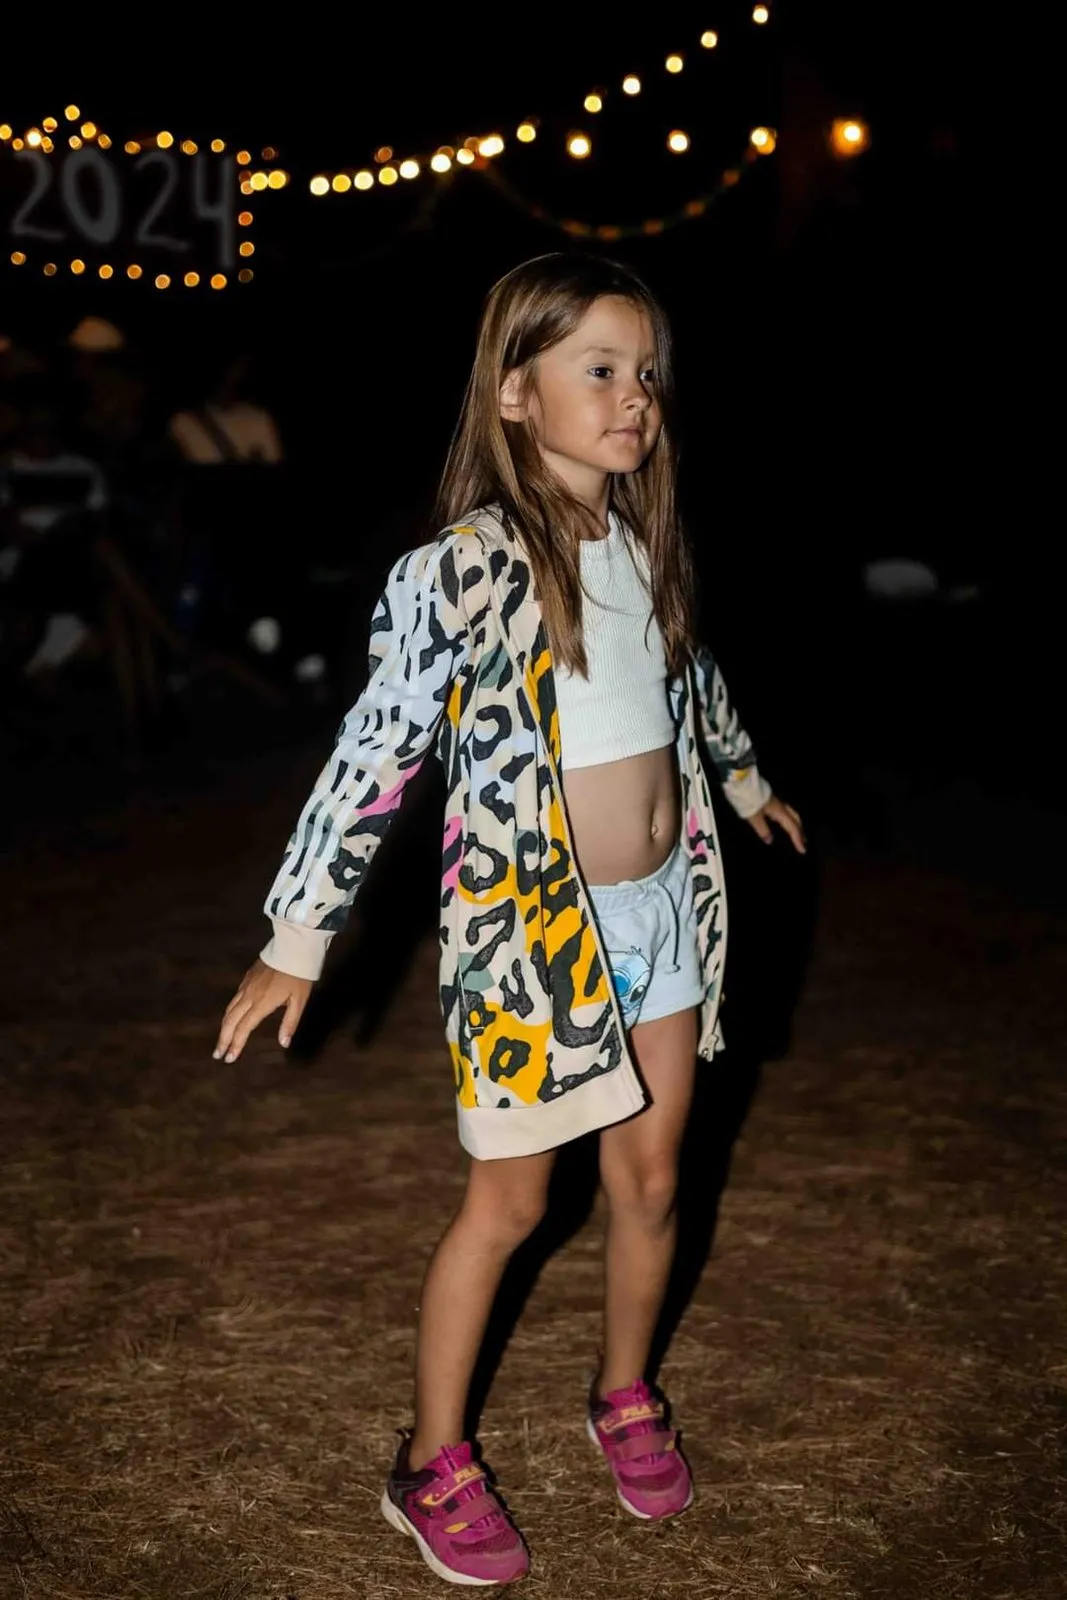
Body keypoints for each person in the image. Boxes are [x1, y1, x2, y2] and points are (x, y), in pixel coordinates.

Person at [213, 253, 806, 1587]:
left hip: (661, 914)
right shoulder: (463, 572)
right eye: (600, 369)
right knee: (512, 1201)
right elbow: (374, 753)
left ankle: (624, 1392)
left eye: (646, 372)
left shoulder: (642, 546)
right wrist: (299, 935)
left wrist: (744, 779)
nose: (635, 396)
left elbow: (688, 678)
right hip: (531, 940)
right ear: (515, 392)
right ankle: (430, 1461)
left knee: (651, 1179)